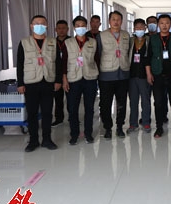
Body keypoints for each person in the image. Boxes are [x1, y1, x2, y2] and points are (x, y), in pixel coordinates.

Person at [16, 15, 61, 152]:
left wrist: (58, 80)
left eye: (43, 23)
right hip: (30, 82)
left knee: (47, 112)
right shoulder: (24, 42)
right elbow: (20, 64)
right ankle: (33, 140)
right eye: (37, 23)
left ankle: (47, 139)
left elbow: (58, 63)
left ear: (46, 26)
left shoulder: (53, 42)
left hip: (48, 81)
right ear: (31, 26)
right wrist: (20, 83)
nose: (40, 26)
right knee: (32, 113)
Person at [145, 14, 171, 138]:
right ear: (158, 24)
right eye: (162, 23)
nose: (164, 25)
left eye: (167, 23)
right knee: (158, 102)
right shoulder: (153, 39)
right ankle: (159, 126)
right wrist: (148, 74)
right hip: (157, 75)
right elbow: (148, 58)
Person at [61, 16, 99, 145]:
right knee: (72, 109)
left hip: (90, 78)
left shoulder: (93, 42)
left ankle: (88, 134)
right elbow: (63, 62)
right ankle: (74, 134)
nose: (80, 27)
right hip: (73, 78)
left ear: (86, 26)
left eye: (83, 25)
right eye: (78, 25)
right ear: (74, 27)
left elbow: (97, 59)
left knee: (89, 108)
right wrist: (64, 79)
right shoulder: (68, 42)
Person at [97, 11, 132, 139]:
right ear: (109, 21)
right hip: (106, 75)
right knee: (105, 103)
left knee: (121, 102)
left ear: (121, 21)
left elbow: (129, 52)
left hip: (123, 74)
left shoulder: (126, 35)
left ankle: (119, 127)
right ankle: (107, 127)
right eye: (113, 19)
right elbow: (98, 54)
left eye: (118, 19)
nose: (116, 22)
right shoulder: (101, 36)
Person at [128, 18, 152, 133]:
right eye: (137, 27)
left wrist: (149, 73)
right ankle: (133, 124)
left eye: (141, 27)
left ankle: (146, 122)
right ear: (134, 29)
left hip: (144, 75)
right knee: (133, 101)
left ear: (145, 28)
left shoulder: (149, 40)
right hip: (132, 75)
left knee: (145, 100)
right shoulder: (130, 41)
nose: (139, 29)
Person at [52, 19, 70, 127]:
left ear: (67, 29)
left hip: (69, 73)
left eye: (64, 28)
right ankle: (59, 118)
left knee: (71, 99)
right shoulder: (51, 43)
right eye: (59, 28)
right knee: (58, 98)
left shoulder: (72, 42)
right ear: (56, 30)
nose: (61, 30)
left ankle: (72, 117)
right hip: (56, 74)